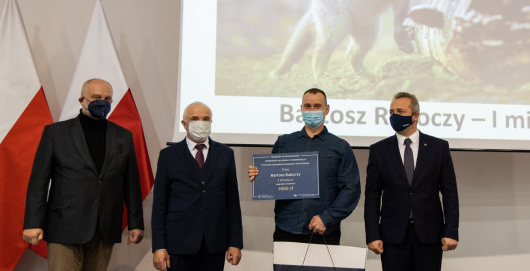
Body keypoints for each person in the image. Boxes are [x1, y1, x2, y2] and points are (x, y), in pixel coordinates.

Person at [23, 78, 144, 271]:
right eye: (96, 97)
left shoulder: (123, 136)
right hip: (64, 226)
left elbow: (131, 184)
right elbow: (39, 181)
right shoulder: (56, 133)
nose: (102, 102)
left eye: (107, 98)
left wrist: (135, 223)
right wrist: (32, 222)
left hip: (104, 227)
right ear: (82, 100)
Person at [248, 88, 360, 245]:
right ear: (301, 109)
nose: (311, 110)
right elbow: (274, 182)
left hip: (324, 230)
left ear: (326, 109)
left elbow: (351, 190)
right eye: (307, 106)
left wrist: (327, 218)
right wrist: (260, 175)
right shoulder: (284, 142)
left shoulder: (340, 147)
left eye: (317, 106)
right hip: (286, 228)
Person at [364, 92, 459, 271]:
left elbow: (450, 193)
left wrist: (451, 231)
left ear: (415, 116)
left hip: (429, 235)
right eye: (391, 112)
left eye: (400, 111)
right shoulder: (379, 150)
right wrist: (372, 234)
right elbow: (372, 196)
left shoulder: (439, 148)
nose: (394, 116)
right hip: (392, 237)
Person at [151, 102, 243, 271]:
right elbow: (159, 205)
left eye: (206, 119)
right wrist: (159, 246)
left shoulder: (225, 154)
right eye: (195, 118)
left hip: (214, 243)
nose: (201, 122)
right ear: (184, 124)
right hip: (178, 243)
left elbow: (232, 202)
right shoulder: (168, 156)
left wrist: (235, 242)